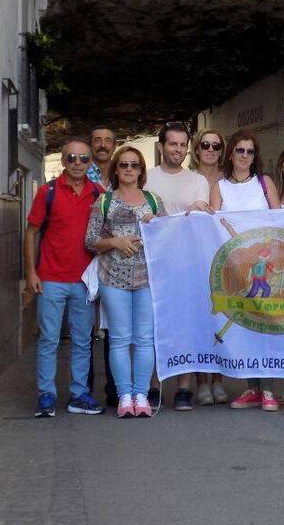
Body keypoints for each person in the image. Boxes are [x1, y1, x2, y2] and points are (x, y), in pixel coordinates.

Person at [23, 138, 104, 417]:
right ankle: (46, 395)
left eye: (84, 159)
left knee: (82, 341)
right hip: (51, 279)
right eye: (72, 158)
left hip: (84, 282)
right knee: (49, 340)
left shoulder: (99, 194)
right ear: (63, 160)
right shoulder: (47, 192)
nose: (78, 164)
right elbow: (31, 232)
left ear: (91, 162)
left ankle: (79, 394)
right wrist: (31, 272)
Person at [86, 145, 163, 418]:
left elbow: (167, 239)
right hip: (113, 277)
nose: (129, 169)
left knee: (144, 339)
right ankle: (124, 395)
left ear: (141, 170)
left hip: (146, 279)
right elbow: (90, 240)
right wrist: (114, 242)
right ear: (116, 169)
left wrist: (156, 225)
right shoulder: (104, 201)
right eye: (124, 165)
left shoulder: (153, 200)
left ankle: (141, 394)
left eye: (134, 165)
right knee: (119, 339)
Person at [211, 130, 282, 411]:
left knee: (266, 327)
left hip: (262, 265)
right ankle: (250, 388)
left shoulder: (264, 183)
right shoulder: (219, 187)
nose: (244, 156)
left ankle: (268, 391)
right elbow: (213, 224)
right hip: (234, 265)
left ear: (255, 156)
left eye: (249, 151)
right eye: (239, 150)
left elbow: (278, 222)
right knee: (246, 327)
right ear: (231, 154)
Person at [145, 122, 211, 411]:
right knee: (156, 326)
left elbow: (200, 217)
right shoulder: (145, 179)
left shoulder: (198, 181)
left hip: (188, 266)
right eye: (173, 144)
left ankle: (183, 389)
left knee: (184, 325)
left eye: (183, 145)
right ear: (161, 147)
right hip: (153, 265)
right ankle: (153, 385)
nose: (178, 150)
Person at [190, 128, 230, 405]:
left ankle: (219, 379)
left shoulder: (229, 181)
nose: (211, 149)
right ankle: (201, 381)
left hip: (224, 259)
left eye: (216, 145)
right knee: (198, 320)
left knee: (221, 317)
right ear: (197, 149)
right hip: (191, 258)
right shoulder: (188, 180)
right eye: (205, 144)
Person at [85, 125, 119, 406]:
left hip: (117, 262)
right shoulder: (81, 175)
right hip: (86, 257)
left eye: (108, 140)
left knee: (110, 327)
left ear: (115, 145)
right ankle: (83, 388)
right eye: (97, 140)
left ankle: (112, 388)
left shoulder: (123, 176)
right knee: (86, 327)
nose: (103, 145)